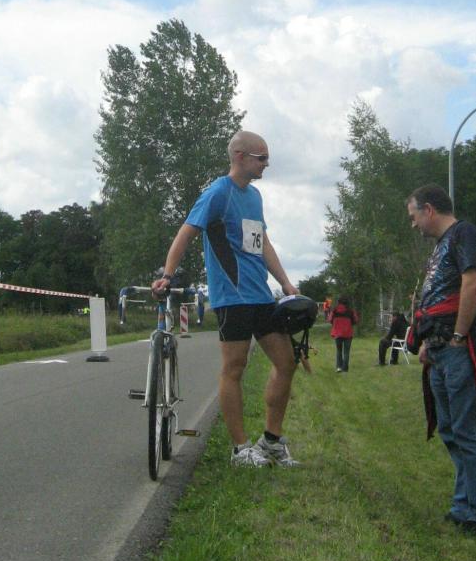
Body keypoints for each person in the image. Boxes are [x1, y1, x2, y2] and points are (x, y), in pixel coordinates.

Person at [152, 130, 300, 468]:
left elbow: (263, 243)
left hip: (260, 294)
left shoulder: (255, 196)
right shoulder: (217, 193)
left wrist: (285, 283)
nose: (267, 163)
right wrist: (167, 275)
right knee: (234, 367)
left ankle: (271, 442)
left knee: (286, 362)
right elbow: (186, 233)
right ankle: (240, 448)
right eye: (262, 157)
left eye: (267, 157)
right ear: (239, 156)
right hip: (231, 296)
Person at [407, 184, 476, 536]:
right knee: (449, 429)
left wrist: (458, 335)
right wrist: (428, 342)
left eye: (414, 216)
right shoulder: (440, 247)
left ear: (429, 209)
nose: (414, 224)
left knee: (468, 430)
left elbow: (473, 283)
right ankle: (463, 506)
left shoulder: (465, 234)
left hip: (459, 348)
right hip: (439, 349)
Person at [329, 295, 358, 373]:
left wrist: (335, 324)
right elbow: (355, 320)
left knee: (339, 351)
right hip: (348, 334)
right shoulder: (351, 311)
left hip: (337, 333)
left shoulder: (334, 310)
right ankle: (345, 369)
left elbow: (330, 319)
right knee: (346, 352)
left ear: (338, 302)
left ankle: (339, 367)